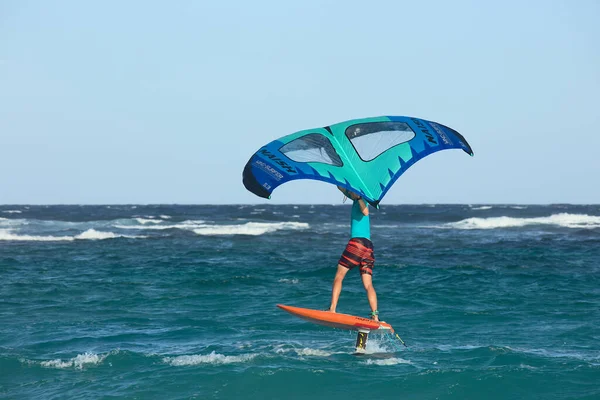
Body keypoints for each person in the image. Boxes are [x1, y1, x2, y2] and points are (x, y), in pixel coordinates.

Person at [328, 186, 379, 322]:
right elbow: (339, 186)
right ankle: (375, 316)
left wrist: (359, 197)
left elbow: (366, 212)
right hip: (368, 247)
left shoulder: (362, 199)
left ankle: (332, 309)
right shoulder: (355, 199)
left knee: (339, 276)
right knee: (368, 284)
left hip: (357, 244)